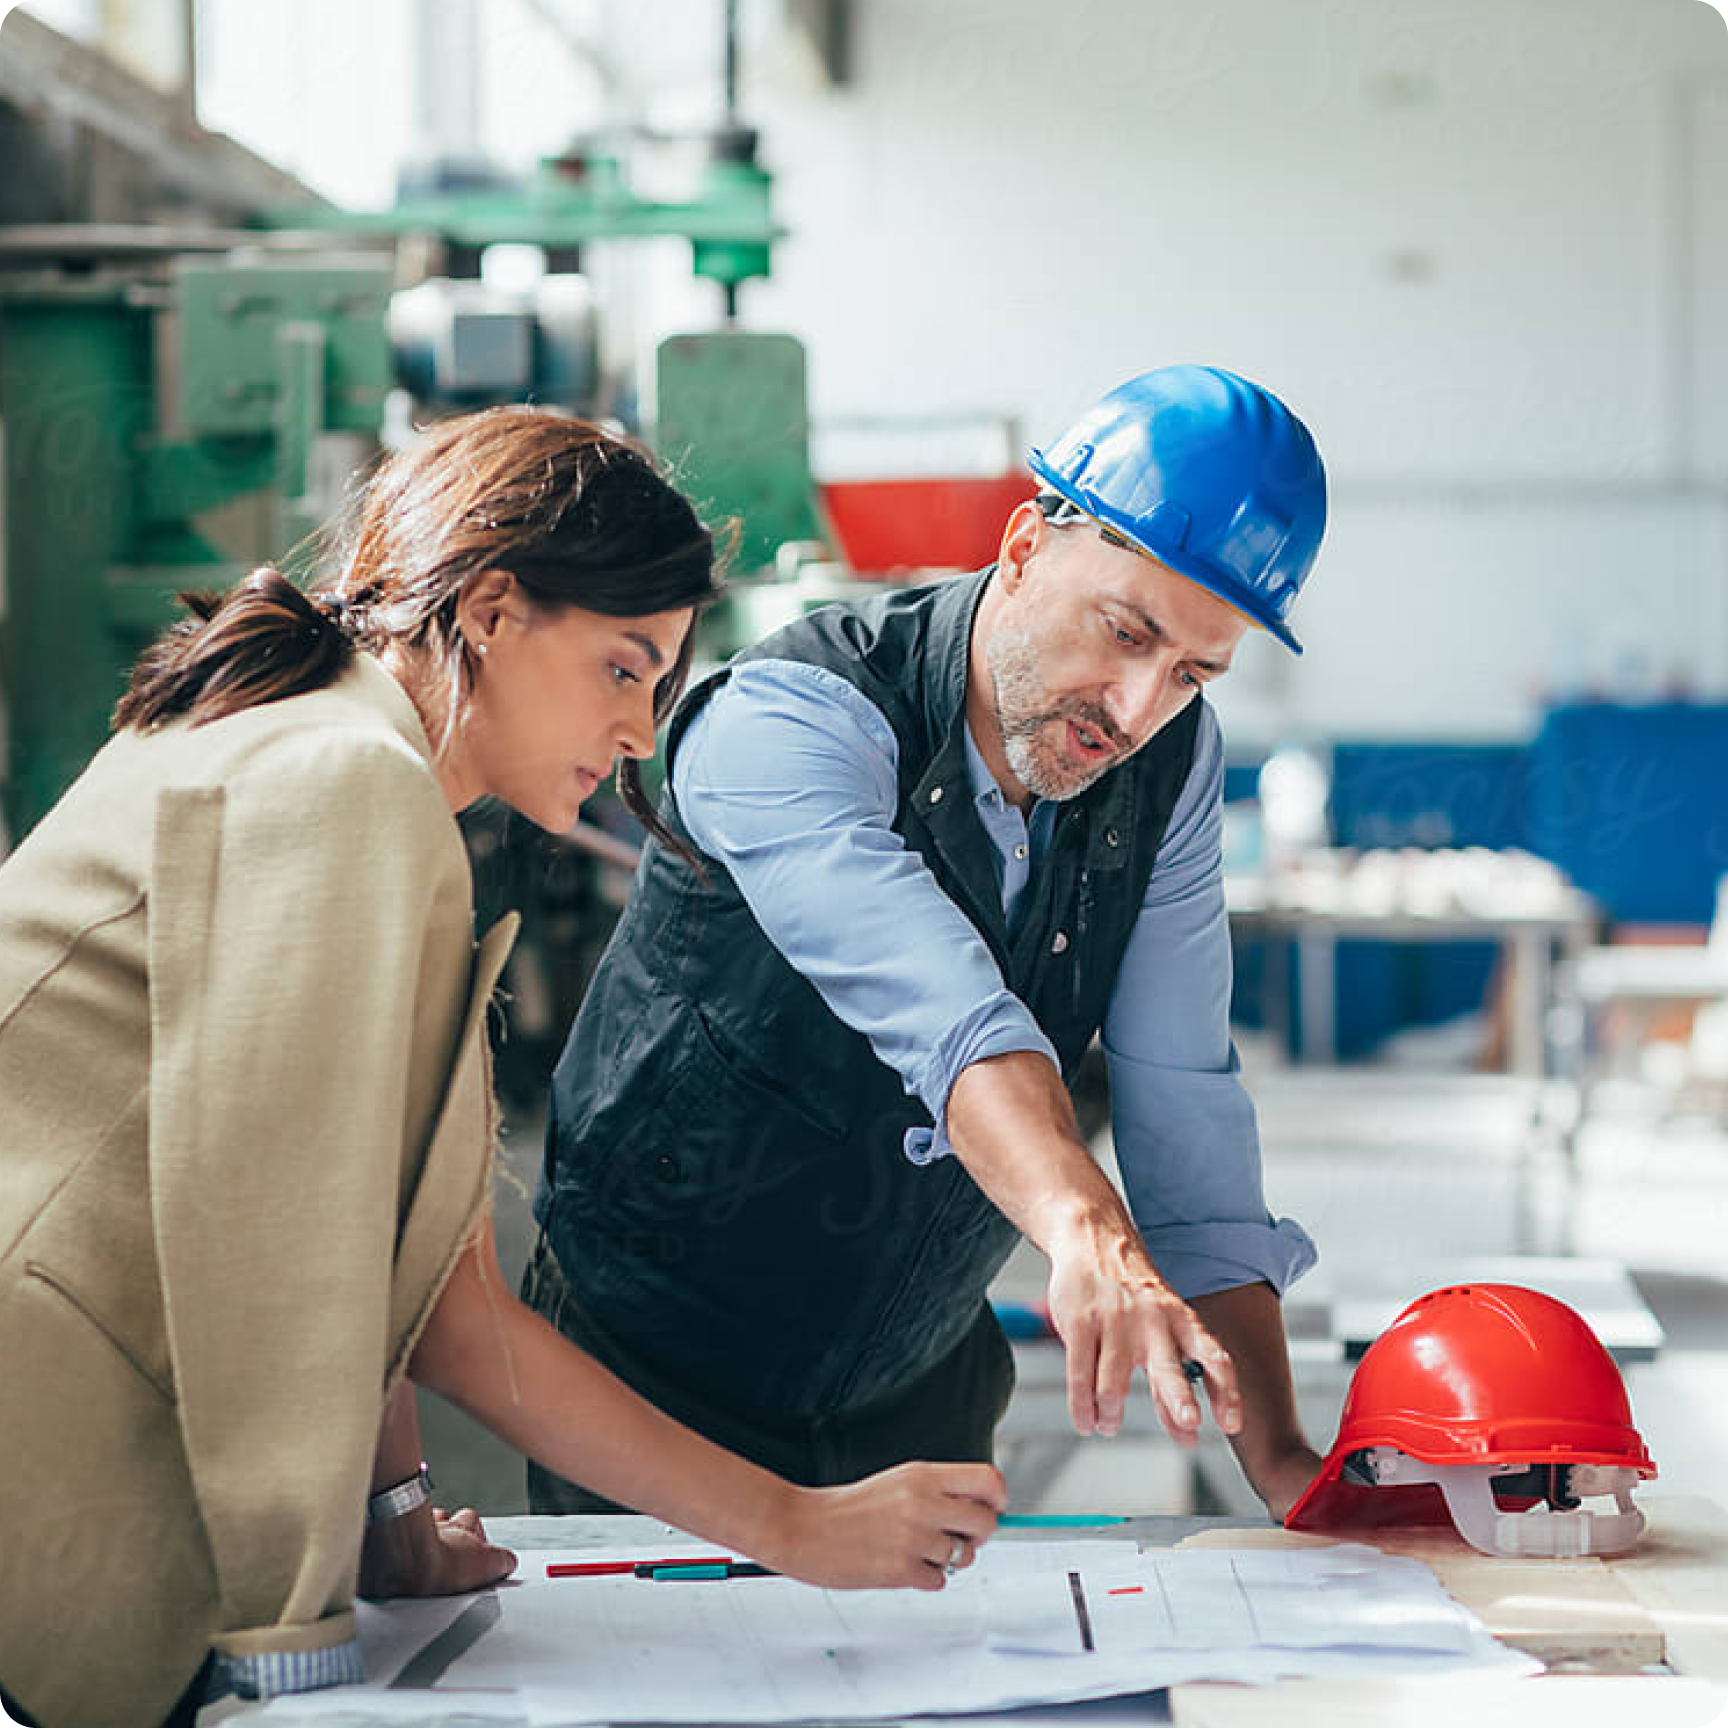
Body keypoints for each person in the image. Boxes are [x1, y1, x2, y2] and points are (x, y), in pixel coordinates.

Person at [0, 409, 1004, 1728]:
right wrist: (284, 1634)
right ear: (490, 611)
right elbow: (269, 1264)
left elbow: (404, 1262)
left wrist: (398, 1520)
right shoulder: (338, 781)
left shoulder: (346, 760)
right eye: (622, 668)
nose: (639, 732)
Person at [524, 365, 1330, 1522]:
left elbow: (1186, 1105)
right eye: (1125, 631)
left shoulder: (1172, 763)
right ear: (1022, 550)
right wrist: (1081, 1225)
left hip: (914, 1384)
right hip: (651, 1381)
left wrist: (1291, 1465)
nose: (1139, 707)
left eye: (1193, 672)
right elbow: (949, 1014)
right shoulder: (787, 717)